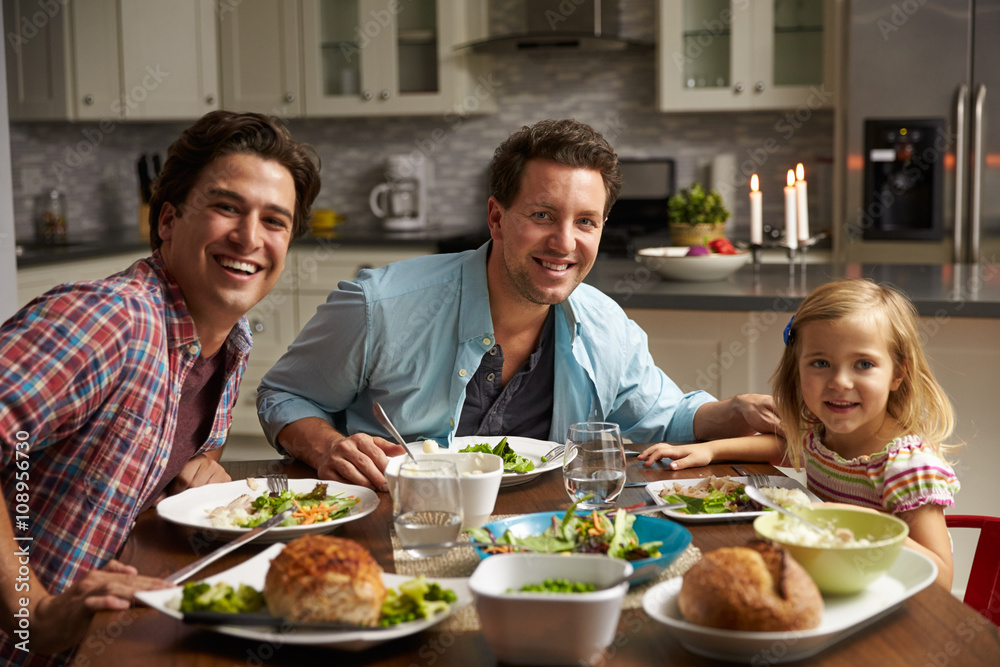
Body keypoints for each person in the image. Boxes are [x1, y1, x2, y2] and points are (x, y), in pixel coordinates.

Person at [257, 118, 777, 493]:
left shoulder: (604, 326)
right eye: (543, 215)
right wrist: (325, 445)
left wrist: (732, 411)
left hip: (543, 534)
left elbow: (664, 419)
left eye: (586, 222)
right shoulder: (379, 307)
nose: (565, 242)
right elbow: (284, 395)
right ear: (497, 217)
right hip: (398, 524)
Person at [0, 110, 321, 663]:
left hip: (112, 638)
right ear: (168, 220)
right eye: (226, 207)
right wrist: (33, 614)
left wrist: (194, 471)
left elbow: (163, 442)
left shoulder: (229, 341)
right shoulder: (110, 319)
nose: (249, 237)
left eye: (275, 221)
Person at [639, 279, 960, 588]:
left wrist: (854, 519)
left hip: (889, 597)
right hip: (836, 580)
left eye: (863, 364)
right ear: (797, 368)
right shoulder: (825, 436)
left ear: (897, 373)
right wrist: (712, 451)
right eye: (821, 362)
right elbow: (786, 447)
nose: (840, 382)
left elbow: (942, 578)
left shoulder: (906, 468)